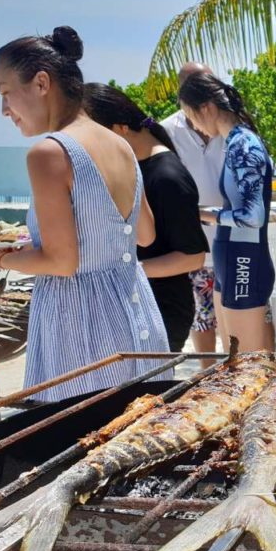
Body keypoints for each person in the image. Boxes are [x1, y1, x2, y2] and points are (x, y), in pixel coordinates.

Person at [0, 26, 169, 402]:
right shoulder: (120, 144)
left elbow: (62, 262)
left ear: (42, 83)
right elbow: (145, 235)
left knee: (73, 440)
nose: (4, 110)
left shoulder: (49, 153)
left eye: (6, 93)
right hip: (137, 315)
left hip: (81, 328)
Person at [83, 83, 208, 351]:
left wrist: (127, 271)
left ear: (120, 129)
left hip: (161, 312)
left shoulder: (167, 176)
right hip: (139, 307)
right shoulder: (137, 166)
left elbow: (193, 256)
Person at [178, 72, 275, 352]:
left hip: (244, 259)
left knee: (248, 364)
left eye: (191, 116)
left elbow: (252, 216)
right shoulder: (235, 142)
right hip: (231, 258)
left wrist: (210, 215)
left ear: (206, 108)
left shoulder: (243, 143)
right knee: (237, 361)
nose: (192, 125)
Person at [162, 62, 225, 365]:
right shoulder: (166, 131)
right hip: (192, 243)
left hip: (230, 239)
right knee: (202, 318)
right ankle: (206, 374)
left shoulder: (228, 128)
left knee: (233, 321)